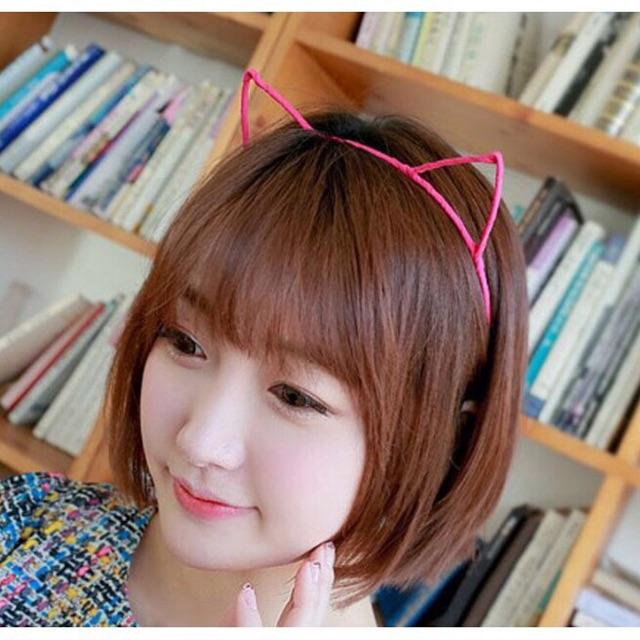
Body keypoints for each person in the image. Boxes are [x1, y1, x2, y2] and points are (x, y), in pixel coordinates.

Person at [0, 67, 528, 627]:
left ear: (440, 443)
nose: (201, 441)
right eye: (185, 342)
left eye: (296, 396)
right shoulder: (27, 525)